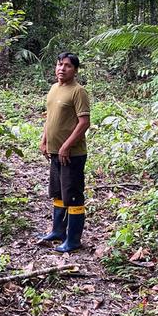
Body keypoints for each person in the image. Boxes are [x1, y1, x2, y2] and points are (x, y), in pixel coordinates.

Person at [38, 52, 90, 252]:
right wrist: (44, 140)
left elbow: (84, 123)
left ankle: (73, 240)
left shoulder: (78, 92)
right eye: (59, 64)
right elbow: (49, 118)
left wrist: (66, 146)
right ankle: (58, 231)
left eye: (67, 66)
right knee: (58, 192)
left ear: (75, 70)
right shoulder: (53, 89)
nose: (62, 68)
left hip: (72, 154)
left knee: (73, 195)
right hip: (55, 153)